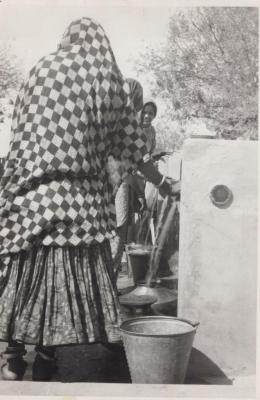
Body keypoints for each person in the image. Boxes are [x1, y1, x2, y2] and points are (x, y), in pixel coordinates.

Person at [0, 17, 177, 381]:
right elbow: (130, 147)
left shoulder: (42, 69)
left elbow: (19, 128)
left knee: (27, 274)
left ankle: (13, 357)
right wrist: (158, 180)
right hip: (82, 206)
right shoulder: (111, 82)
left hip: (31, 201)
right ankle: (48, 356)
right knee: (67, 281)